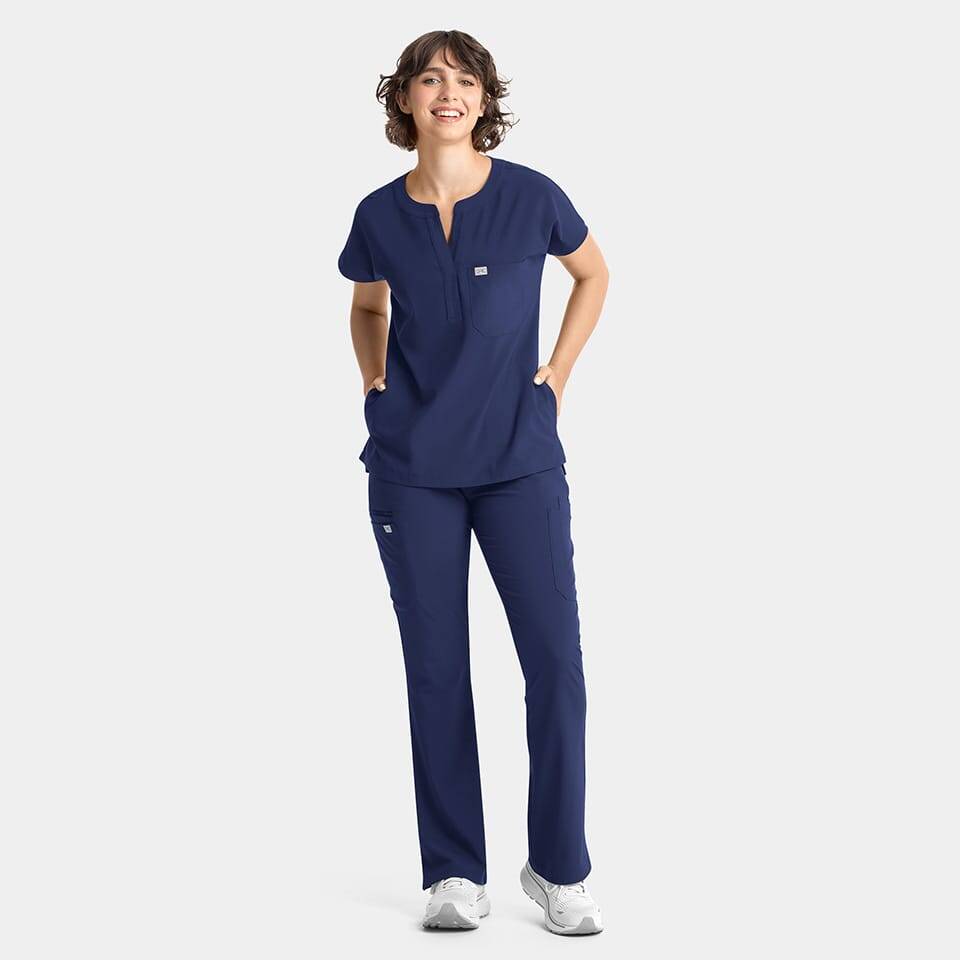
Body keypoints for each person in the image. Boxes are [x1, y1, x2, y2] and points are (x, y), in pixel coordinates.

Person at [337, 30, 610, 936]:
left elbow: (592, 274)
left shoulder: (532, 196)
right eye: (429, 79)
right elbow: (366, 302)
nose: (446, 92)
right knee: (437, 670)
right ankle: (454, 870)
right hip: (413, 470)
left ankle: (559, 869)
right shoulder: (379, 214)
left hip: (519, 462)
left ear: (485, 99)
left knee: (555, 667)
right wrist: (373, 378)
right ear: (405, 101)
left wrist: (557, 374)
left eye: (463, 79)